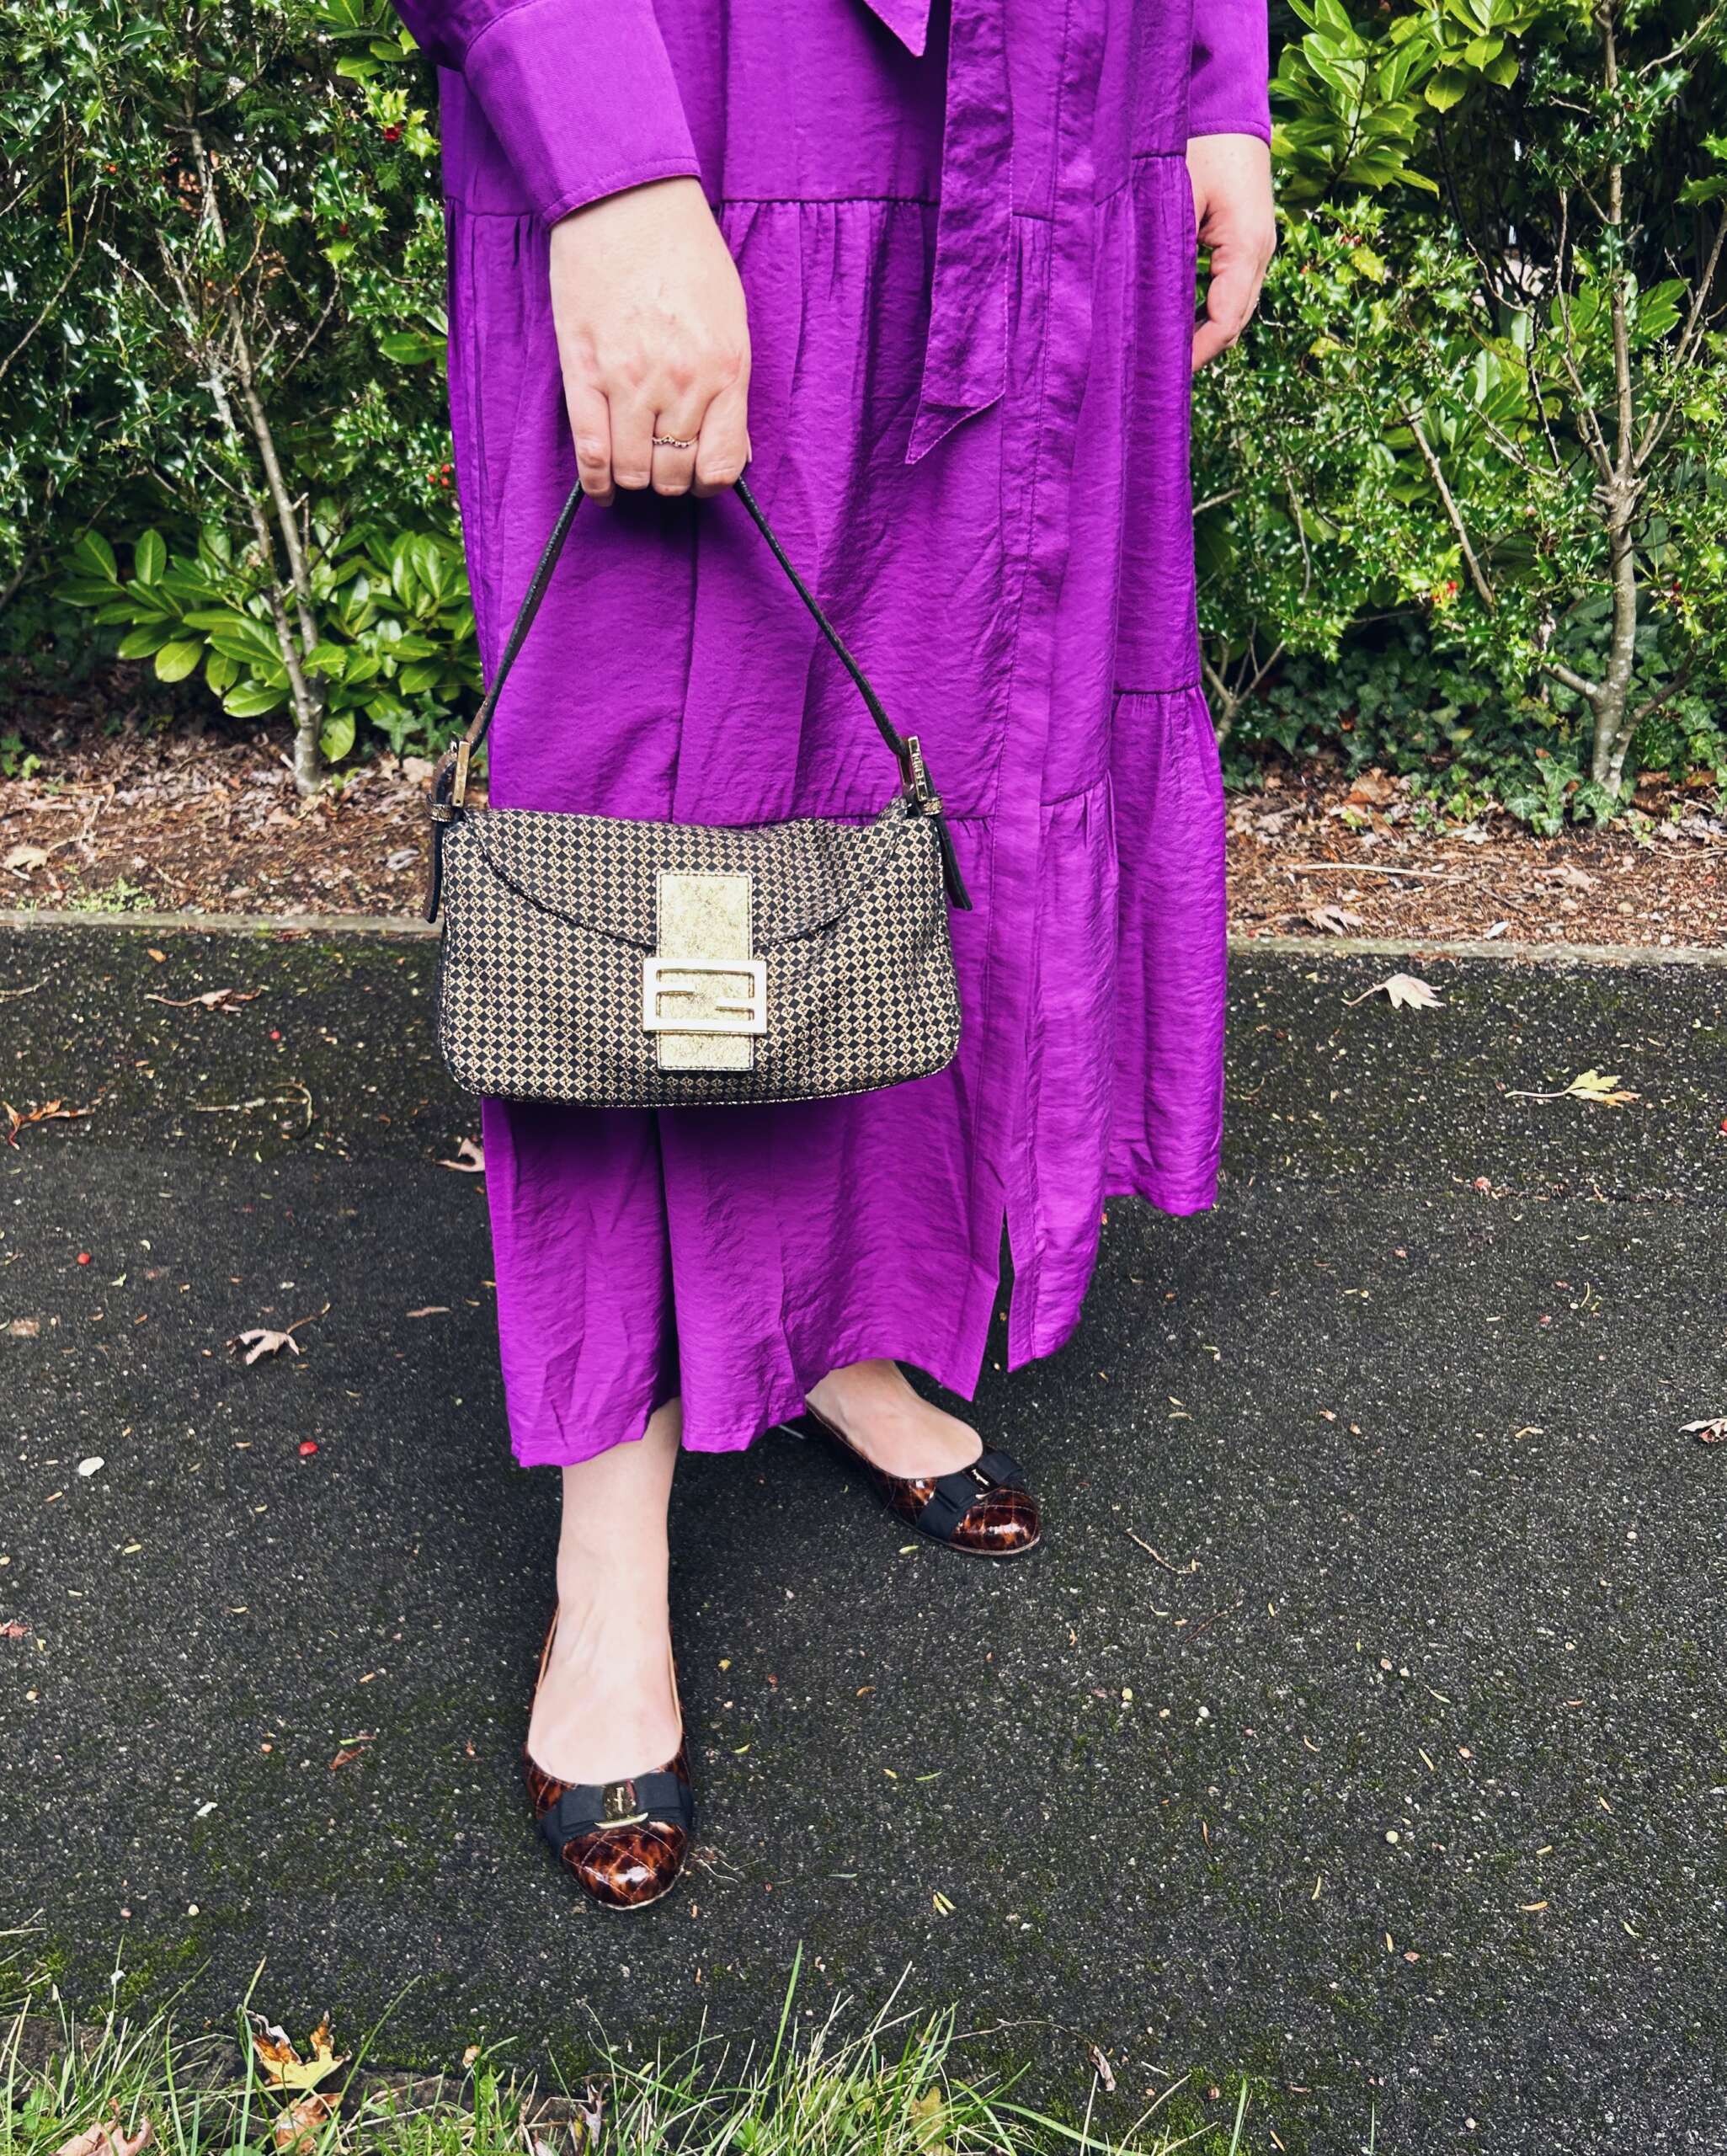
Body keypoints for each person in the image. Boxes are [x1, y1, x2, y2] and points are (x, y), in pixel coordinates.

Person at [393, 0, 1275, 1909]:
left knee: (952, 757)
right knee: (651, 808)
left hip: (1065, 114)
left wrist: (1219, 85)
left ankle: (847, 1315)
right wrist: (608, 168)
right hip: (708, 84)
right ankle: (608, 1548)